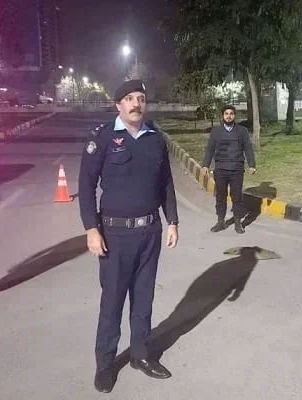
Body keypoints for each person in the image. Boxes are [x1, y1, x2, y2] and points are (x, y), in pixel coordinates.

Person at [78, 79, 179, 393]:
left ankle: (141, 354)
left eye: (141, 98)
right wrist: (91, 229)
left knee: (144, 300)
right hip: (115, 235)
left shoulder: (155, 139)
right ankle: (105, 363)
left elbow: (166, 184)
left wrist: (172, 221)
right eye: (130, 98)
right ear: (118, 104)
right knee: (112, 303)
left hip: (149, 231)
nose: (137, 103)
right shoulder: (104, 138)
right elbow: (85, 186)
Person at [201, 105, 256, 234]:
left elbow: (248, 148)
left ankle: (238, 223)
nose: (229, 116)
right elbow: (210, 149)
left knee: (237, 197)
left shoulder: (242, 131)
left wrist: (252, 164)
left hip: (237, 169)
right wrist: (205, 165)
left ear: (234, 116)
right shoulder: (216, 132)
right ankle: (220, 222)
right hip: (220, 169)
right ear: (223, 116)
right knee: (220, 197)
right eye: (226, 114)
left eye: (231, 113)